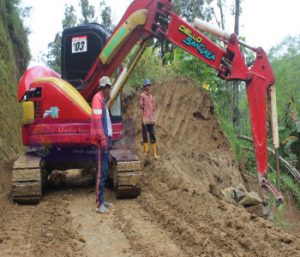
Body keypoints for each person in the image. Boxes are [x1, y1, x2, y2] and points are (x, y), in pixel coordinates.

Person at [90, 76, 113, 214]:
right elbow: (97, 121)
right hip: (100, 143)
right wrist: (103, 140)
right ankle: (99, 204)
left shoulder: (102, 100)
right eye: (109, 88)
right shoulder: (97, 99)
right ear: (105, 88)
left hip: (103, 141)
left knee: (103, 172)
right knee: (100, 173)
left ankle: (102, 200)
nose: (110, 90)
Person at [139, 79, 158, 159]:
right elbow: (140, 108)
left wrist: (154, 119)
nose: (148, 87)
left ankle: (154, 153)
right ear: (144, 87)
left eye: (149, 85)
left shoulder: (151, 97)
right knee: (145, 136)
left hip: (151, 120)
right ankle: (146, 151)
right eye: (147, 85)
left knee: (153, 135)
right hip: (145, 120)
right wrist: (142, 119)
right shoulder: (142, 96)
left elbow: (153, 109)